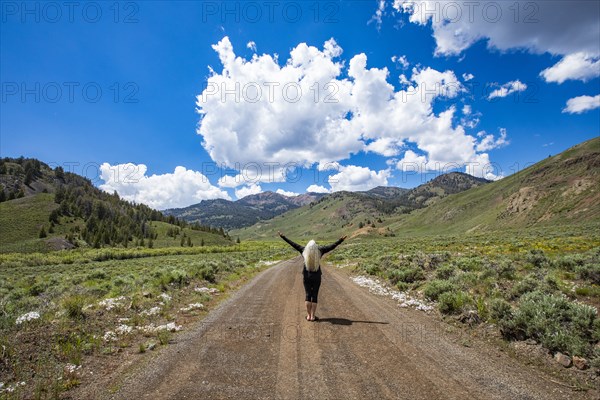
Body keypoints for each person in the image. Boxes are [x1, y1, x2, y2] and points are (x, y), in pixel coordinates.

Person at [278, 231, 347, 321]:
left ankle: (308, 315)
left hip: (307, 276)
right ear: (315, 246)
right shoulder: (320, 250)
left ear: (307, 246)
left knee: (307, 295)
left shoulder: (303, 250)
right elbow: (332, 246)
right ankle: (313, 316)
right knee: (314, 295)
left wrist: (283, 237)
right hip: (317, 276)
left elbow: (292, 244)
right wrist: (340, 240)